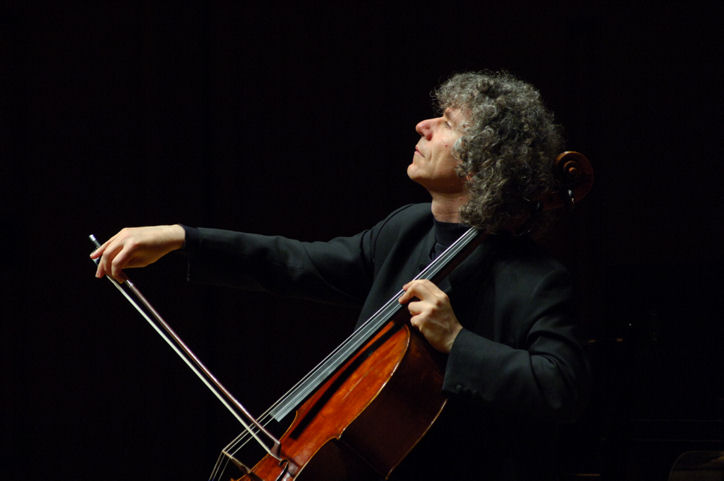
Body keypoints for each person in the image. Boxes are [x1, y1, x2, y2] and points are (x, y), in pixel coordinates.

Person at [91, 71, 590, 480]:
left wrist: (457, 341)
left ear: (484, 163)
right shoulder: (405, 230)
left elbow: (562, 387)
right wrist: (182, 237)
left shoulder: (536, 280)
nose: (423, 125)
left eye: (447, 123)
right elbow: (296, 263)